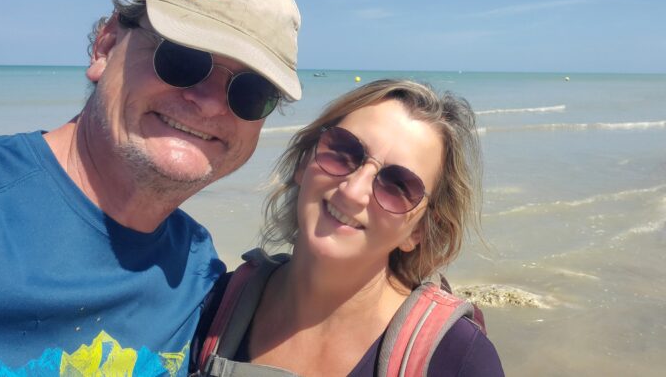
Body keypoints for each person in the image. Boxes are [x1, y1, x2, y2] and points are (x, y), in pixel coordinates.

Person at [0, 0, 302, 375]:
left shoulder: (198, 271)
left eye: (251, 91)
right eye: (182, 59)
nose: (209, 103)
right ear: (106, 45)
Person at [192, 79, 504, 376]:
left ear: (418, 230)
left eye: (398, 185)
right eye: (343, 151)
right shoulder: (212, 308)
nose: (353, 192)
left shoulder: (457, 359)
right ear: (304, 162)